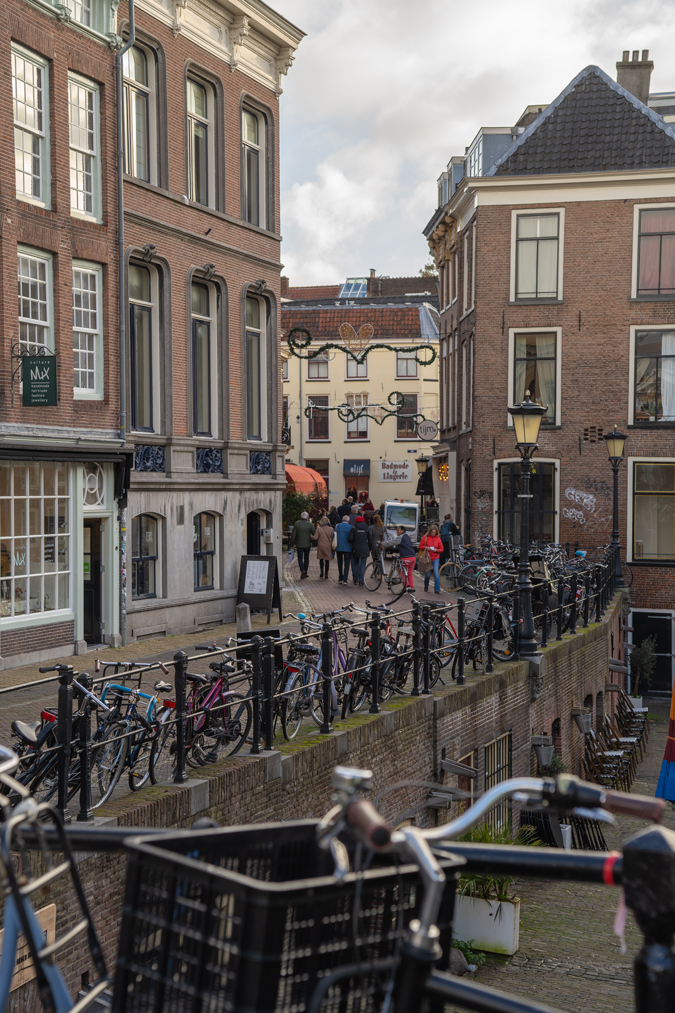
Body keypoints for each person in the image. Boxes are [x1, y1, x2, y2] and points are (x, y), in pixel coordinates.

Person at [289, 511, 315, 579]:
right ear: (307, 517)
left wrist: (292, 544)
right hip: (307, 545)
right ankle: (305, 572)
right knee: (306, 558)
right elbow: (314, 533)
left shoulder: (297, 524)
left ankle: (302, 569)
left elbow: (293, 535)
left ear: (301, 517)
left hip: (299, 545)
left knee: (300, 558)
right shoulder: (310, 524)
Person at [419, 525, 444, 594]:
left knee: (436, 573)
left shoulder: (438, 539)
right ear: (430, 532)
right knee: (428, 574)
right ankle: (426, 585)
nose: (433, 534)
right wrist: (426, 547)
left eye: (435, 532)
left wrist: (436, 550)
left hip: (436, 558)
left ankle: (437, 589)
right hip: (428, 558)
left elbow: (442, 549)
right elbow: (420, 546)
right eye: (432, 532)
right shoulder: (425, 537)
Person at [390, 525, 416, 590]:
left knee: (401, 571)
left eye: (398, 530)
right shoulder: (407, 536)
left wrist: (382, 543)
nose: (396, 531)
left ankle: (406, 586)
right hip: (413, 558)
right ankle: (412, 587)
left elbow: (391, 542)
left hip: (406, 558)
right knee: (410, 573)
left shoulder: (400, 537)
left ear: (402, 531)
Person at [348, 515, 370, 585]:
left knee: (356, 563)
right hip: (364, 548)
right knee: (363, 564)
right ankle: (361, 580)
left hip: (356, 548)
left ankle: (355, 578)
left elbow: (350, 538)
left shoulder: (353, 529)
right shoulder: (367, 528)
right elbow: (370, 539)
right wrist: (370, 548)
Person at [335, 514, 353, 584]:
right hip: (348, 548)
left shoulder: (337, 526)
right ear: (348, 520)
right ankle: (345, 579)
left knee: (339, 563)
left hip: (339, 547)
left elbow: (334, 536)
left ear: (342, 520)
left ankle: (340, 578)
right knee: (347, 563)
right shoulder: (351, 527)